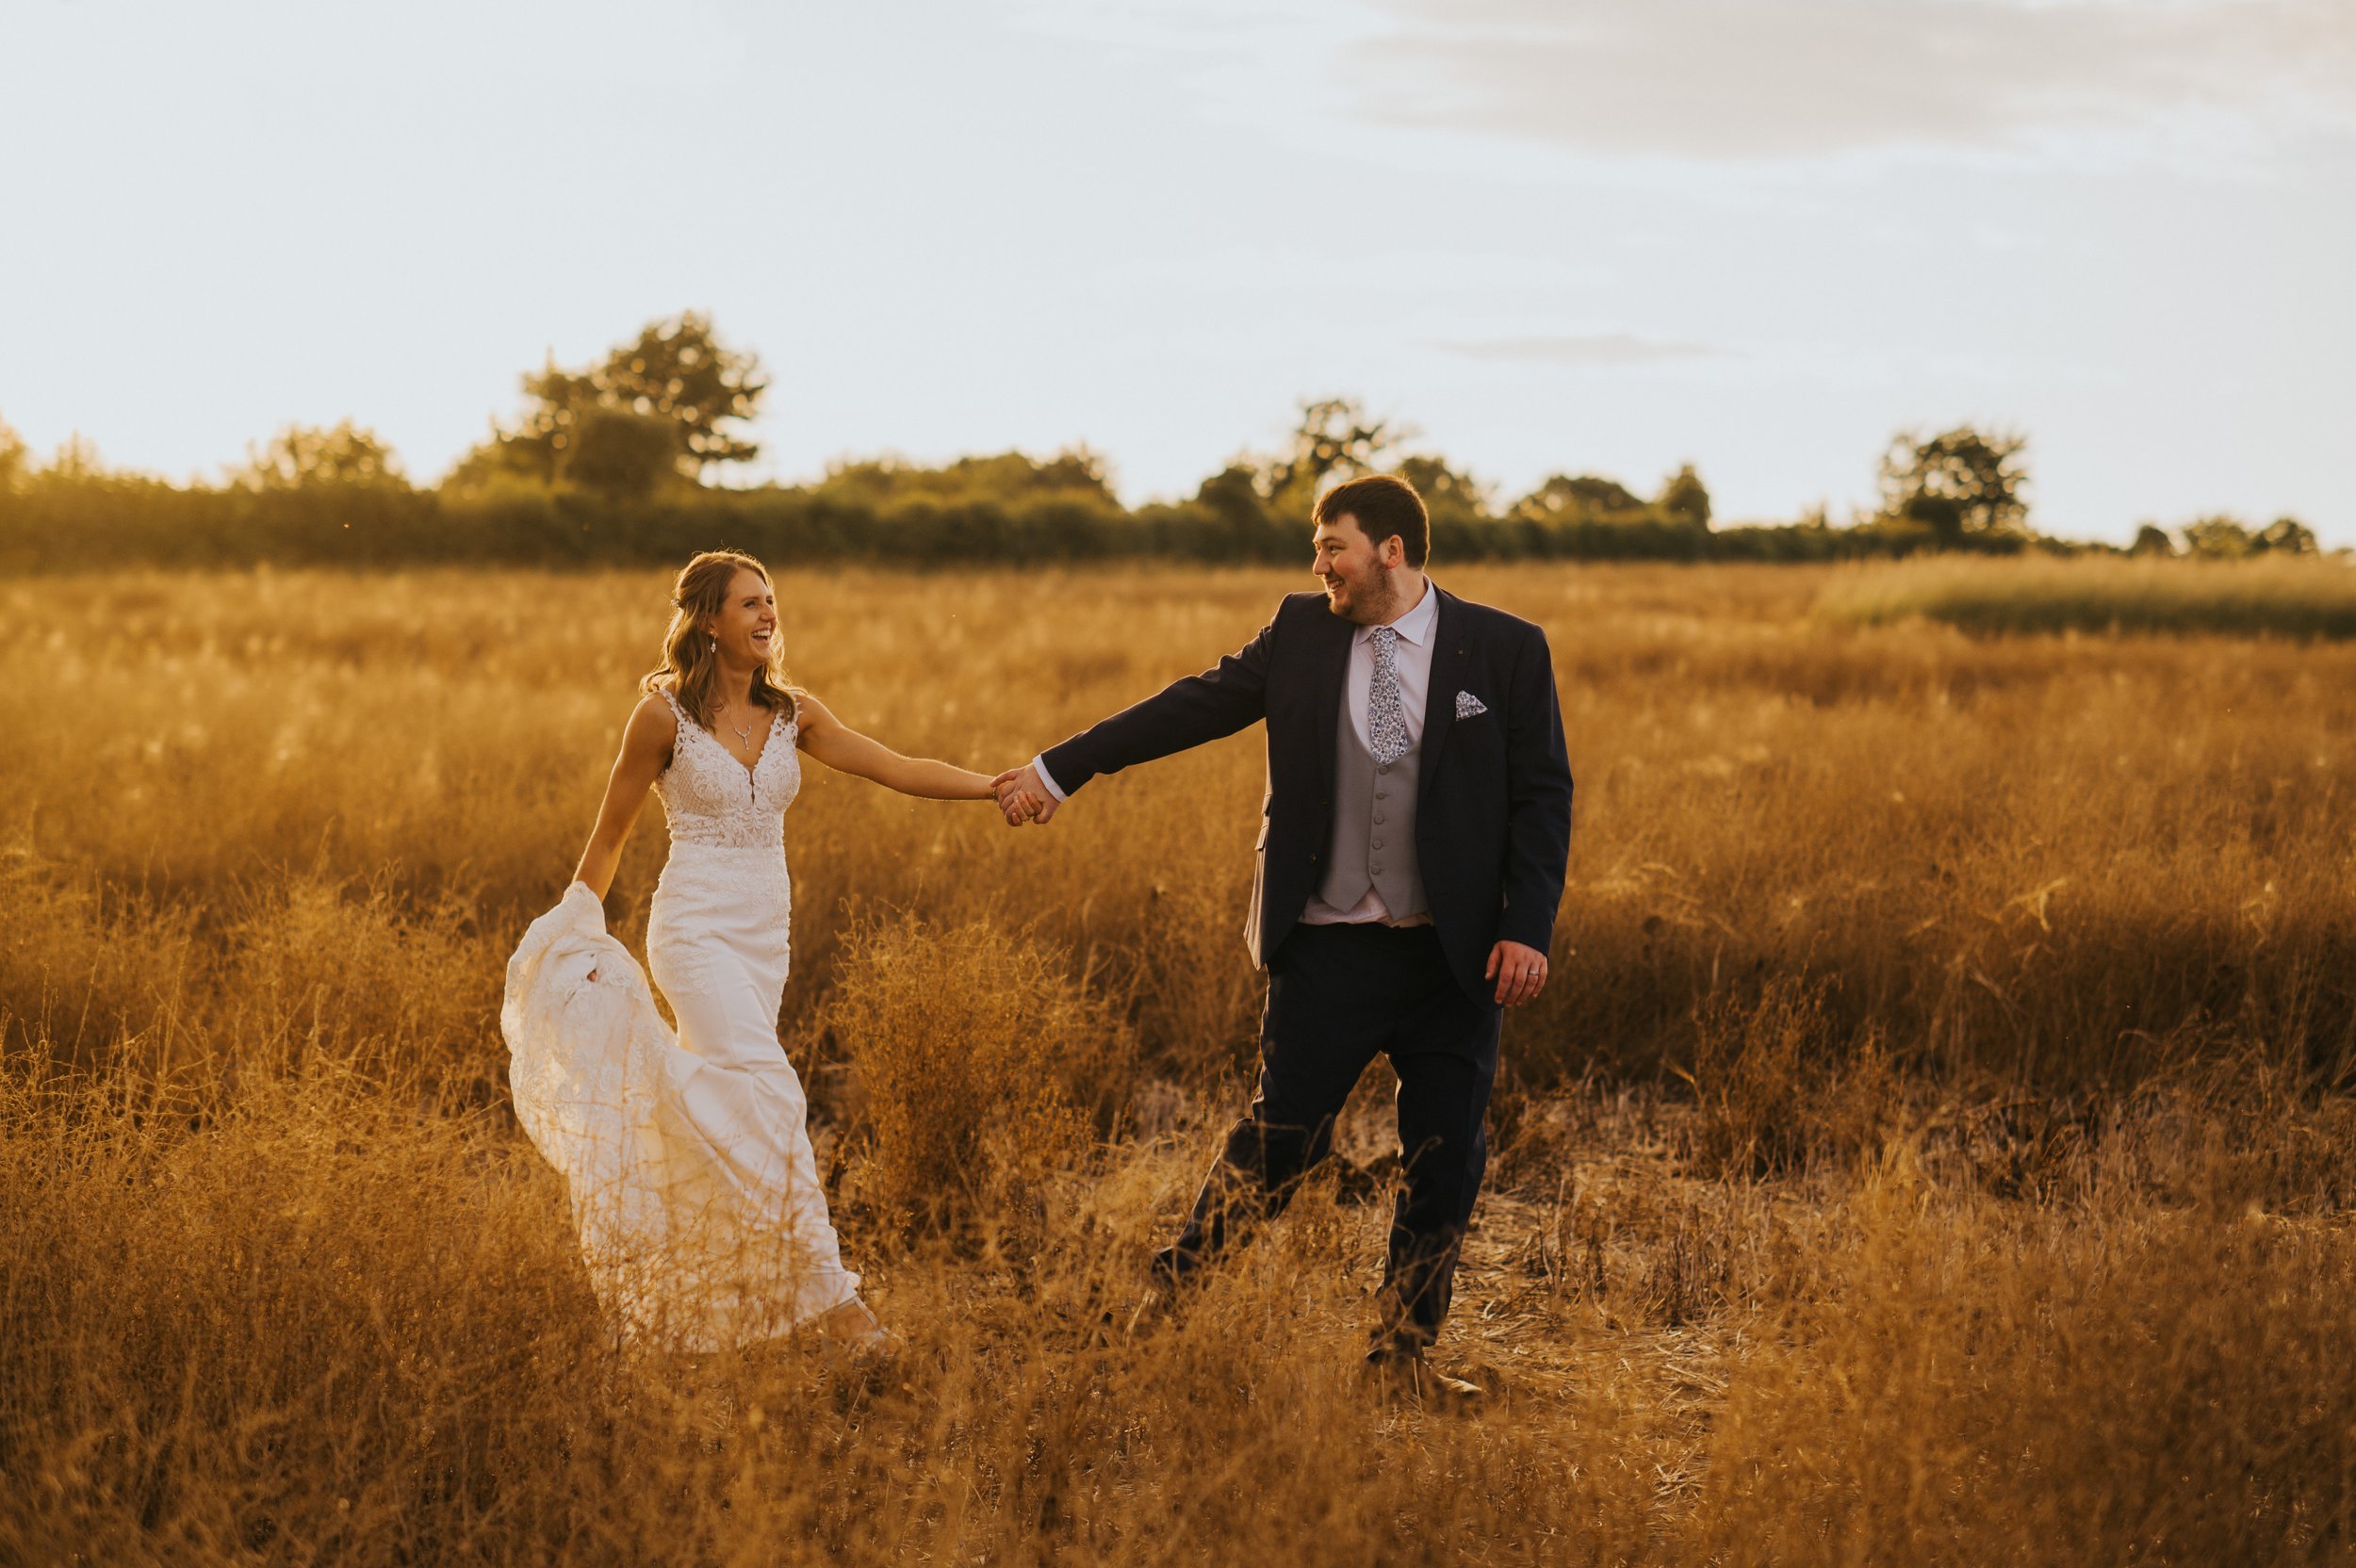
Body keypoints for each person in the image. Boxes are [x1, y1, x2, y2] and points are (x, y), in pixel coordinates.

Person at [994, 473, 1573, 1403]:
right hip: (1327, 943)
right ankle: (1167, 1310)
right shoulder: (1301, 633)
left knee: (1444, 1161)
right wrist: (1059, 769)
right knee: (1277, 1142)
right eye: (1317, 548)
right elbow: (1190, 703)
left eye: (1332, 545)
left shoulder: (1503, 648)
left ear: (1389, 548)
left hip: (1452, 958)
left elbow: (1542, 796)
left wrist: (1525, 926)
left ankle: (1401, 1357)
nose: (1319, 564)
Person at [503, 547, 1007, 1355]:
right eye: (750, 603)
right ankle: (845, 1314)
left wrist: (989, 785)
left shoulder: (794, 714)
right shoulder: (661, 718)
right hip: (693, 929)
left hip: (764, 936)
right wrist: (577, 932)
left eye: (771, 601)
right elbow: (609, 839)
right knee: (773, 1096)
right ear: (708, 620)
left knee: (736, 1116)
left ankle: (725, 1289)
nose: (768, 614)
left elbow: (892, 766)